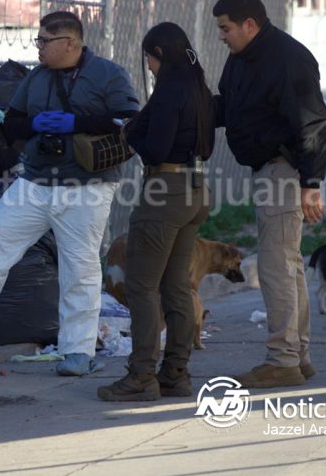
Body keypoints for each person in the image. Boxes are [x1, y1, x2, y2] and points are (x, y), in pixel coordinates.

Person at [0, 11, 140, 376]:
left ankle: (78, 351)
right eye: (38, 40)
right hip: (36, 181)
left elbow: (130, 121)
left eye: (44, 41)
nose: (37, 46)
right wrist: (34, 125)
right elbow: (13, 122)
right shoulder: (37, 78)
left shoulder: (108, 75)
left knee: (80, 268)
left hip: (88, 186)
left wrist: (76, 124)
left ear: (69, 43)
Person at [211, 0, 326, 388]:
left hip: (284, 170)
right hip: (269, 169)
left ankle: (283, 359)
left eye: (226, 28)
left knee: (276, 265)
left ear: (250, 24)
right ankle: (298, 356)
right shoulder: (243, 59)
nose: (222, 36)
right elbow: (227, 106)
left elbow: (313, 122)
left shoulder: (287, 57)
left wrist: (311, 183)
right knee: (288, 264)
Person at [97, 22, 214, 402]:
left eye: (149, 57)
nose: (148, 66)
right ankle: (175, 374)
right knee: (176, 286)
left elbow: (156, 150)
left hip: (164, 191)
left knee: (142, 286)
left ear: (159, 53)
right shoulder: (196, 87)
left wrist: (131, 135)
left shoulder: (169, 90)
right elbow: (207, 146)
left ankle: (140, 376)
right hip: (195, 189)